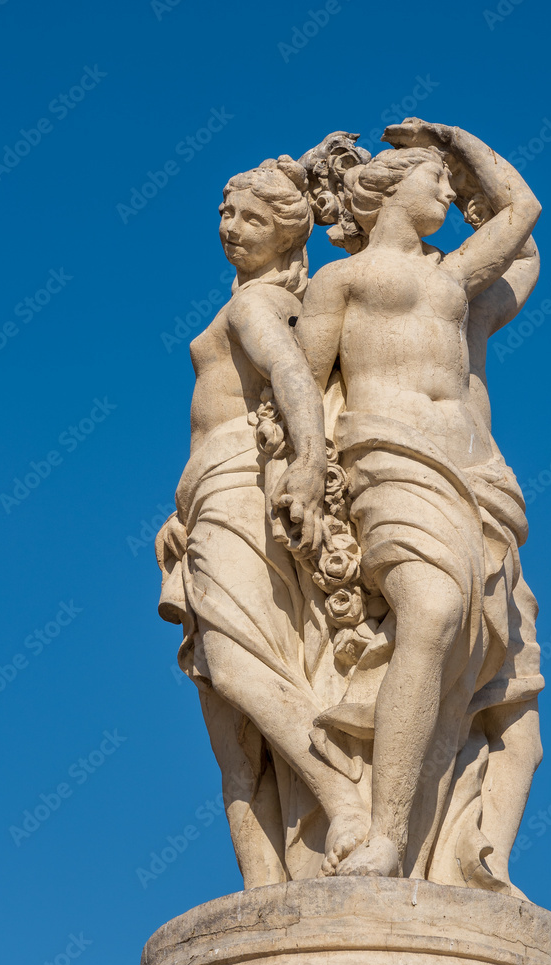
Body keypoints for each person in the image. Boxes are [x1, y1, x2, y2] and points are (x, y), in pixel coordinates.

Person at [293, 120, 542, 878]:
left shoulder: (456, 281)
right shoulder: (341, 280)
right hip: (386, 455)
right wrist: (304, 466)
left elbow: (523, 214)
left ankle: (427, 847)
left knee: (466, 651)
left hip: (473, 476)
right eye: (433, 178)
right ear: (387, 189)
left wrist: (459, 144)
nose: (448, 189)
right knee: (429, 615)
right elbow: (302, 382)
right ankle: (384, 835)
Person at [156, 155, 366, 886]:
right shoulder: (247, 299)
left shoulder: (255, 307)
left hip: (240, 484)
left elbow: (291, 379)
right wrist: (176, 512)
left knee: (239, 671)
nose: (229, 227)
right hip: (204, 498)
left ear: (286, 233)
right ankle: (261, 882)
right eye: (224, 214)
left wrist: (309, 462)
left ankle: (343, 798)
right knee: (223, 709)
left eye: (249, 217)